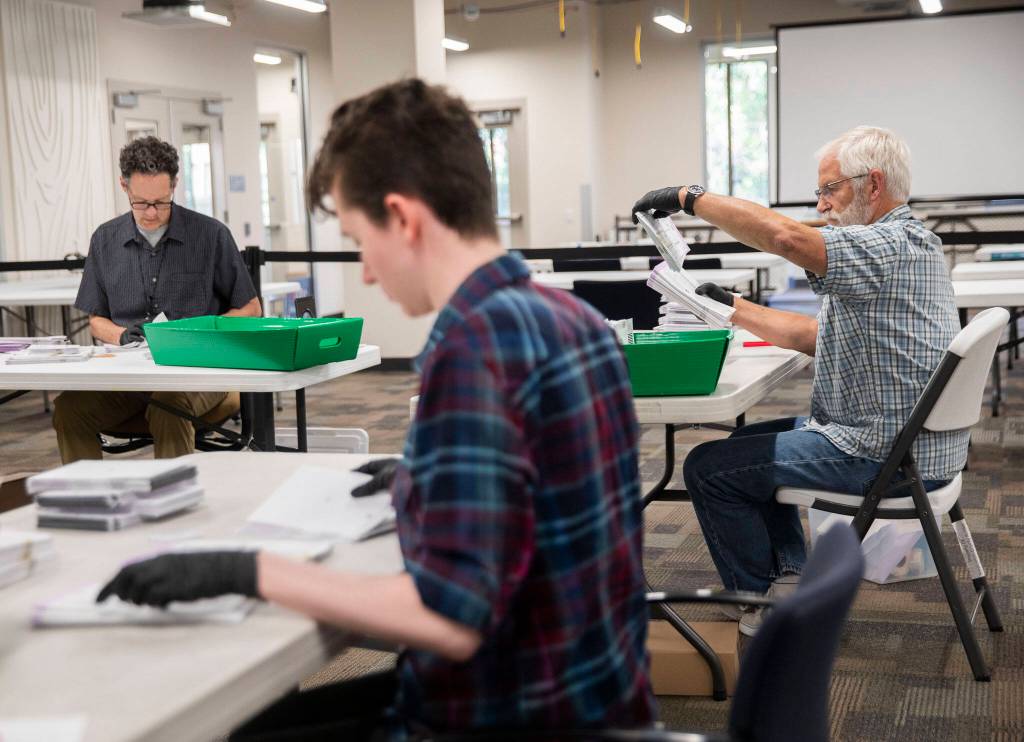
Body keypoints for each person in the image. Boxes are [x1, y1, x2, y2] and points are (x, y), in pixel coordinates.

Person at [97, 80, 656, 739]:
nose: (364, 270)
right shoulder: (571, 317)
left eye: (361, 238)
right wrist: (423, 477)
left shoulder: (475, 346)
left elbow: (448, 616)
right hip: (594, 694)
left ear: (404, 218)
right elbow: (537, 497)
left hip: (504, 709)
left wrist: (245, 570)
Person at [631, 126, 967, 636]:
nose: (823, 205)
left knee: (708, 466)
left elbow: (785, 237)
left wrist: (688, 198)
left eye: (830, 189)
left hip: (884, 454)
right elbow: (817, 337)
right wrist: (732, 307)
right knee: (747, 442)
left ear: (872, 185)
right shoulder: (909, 243)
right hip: (909, 444)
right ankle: (786, 574)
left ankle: (761, 599)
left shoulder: (883, 244)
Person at [52, 136, 261, 462]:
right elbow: (96, 320)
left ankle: (175, 502)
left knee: (169, 404)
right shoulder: (105, 240)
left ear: (175, 185)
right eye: (140, 202)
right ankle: (89, 499)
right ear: (124, 186)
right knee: (69, 408)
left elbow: (251, 308)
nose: (151, 213)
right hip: (131, 375)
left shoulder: (210, 235)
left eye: (161, 202)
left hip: (201, 373)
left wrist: (206, 330)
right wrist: (120, 335)